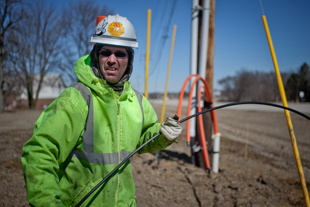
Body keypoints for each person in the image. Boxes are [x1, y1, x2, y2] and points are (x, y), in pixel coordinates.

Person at [21, 14, 183, 206]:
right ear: (96, 55)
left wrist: (162, 135)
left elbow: (141, 137)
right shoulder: (76, 99)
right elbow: (39, 153)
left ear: (129, 59)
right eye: (106, 52)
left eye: (120, 53)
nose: (112, 60)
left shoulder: (137, 101)